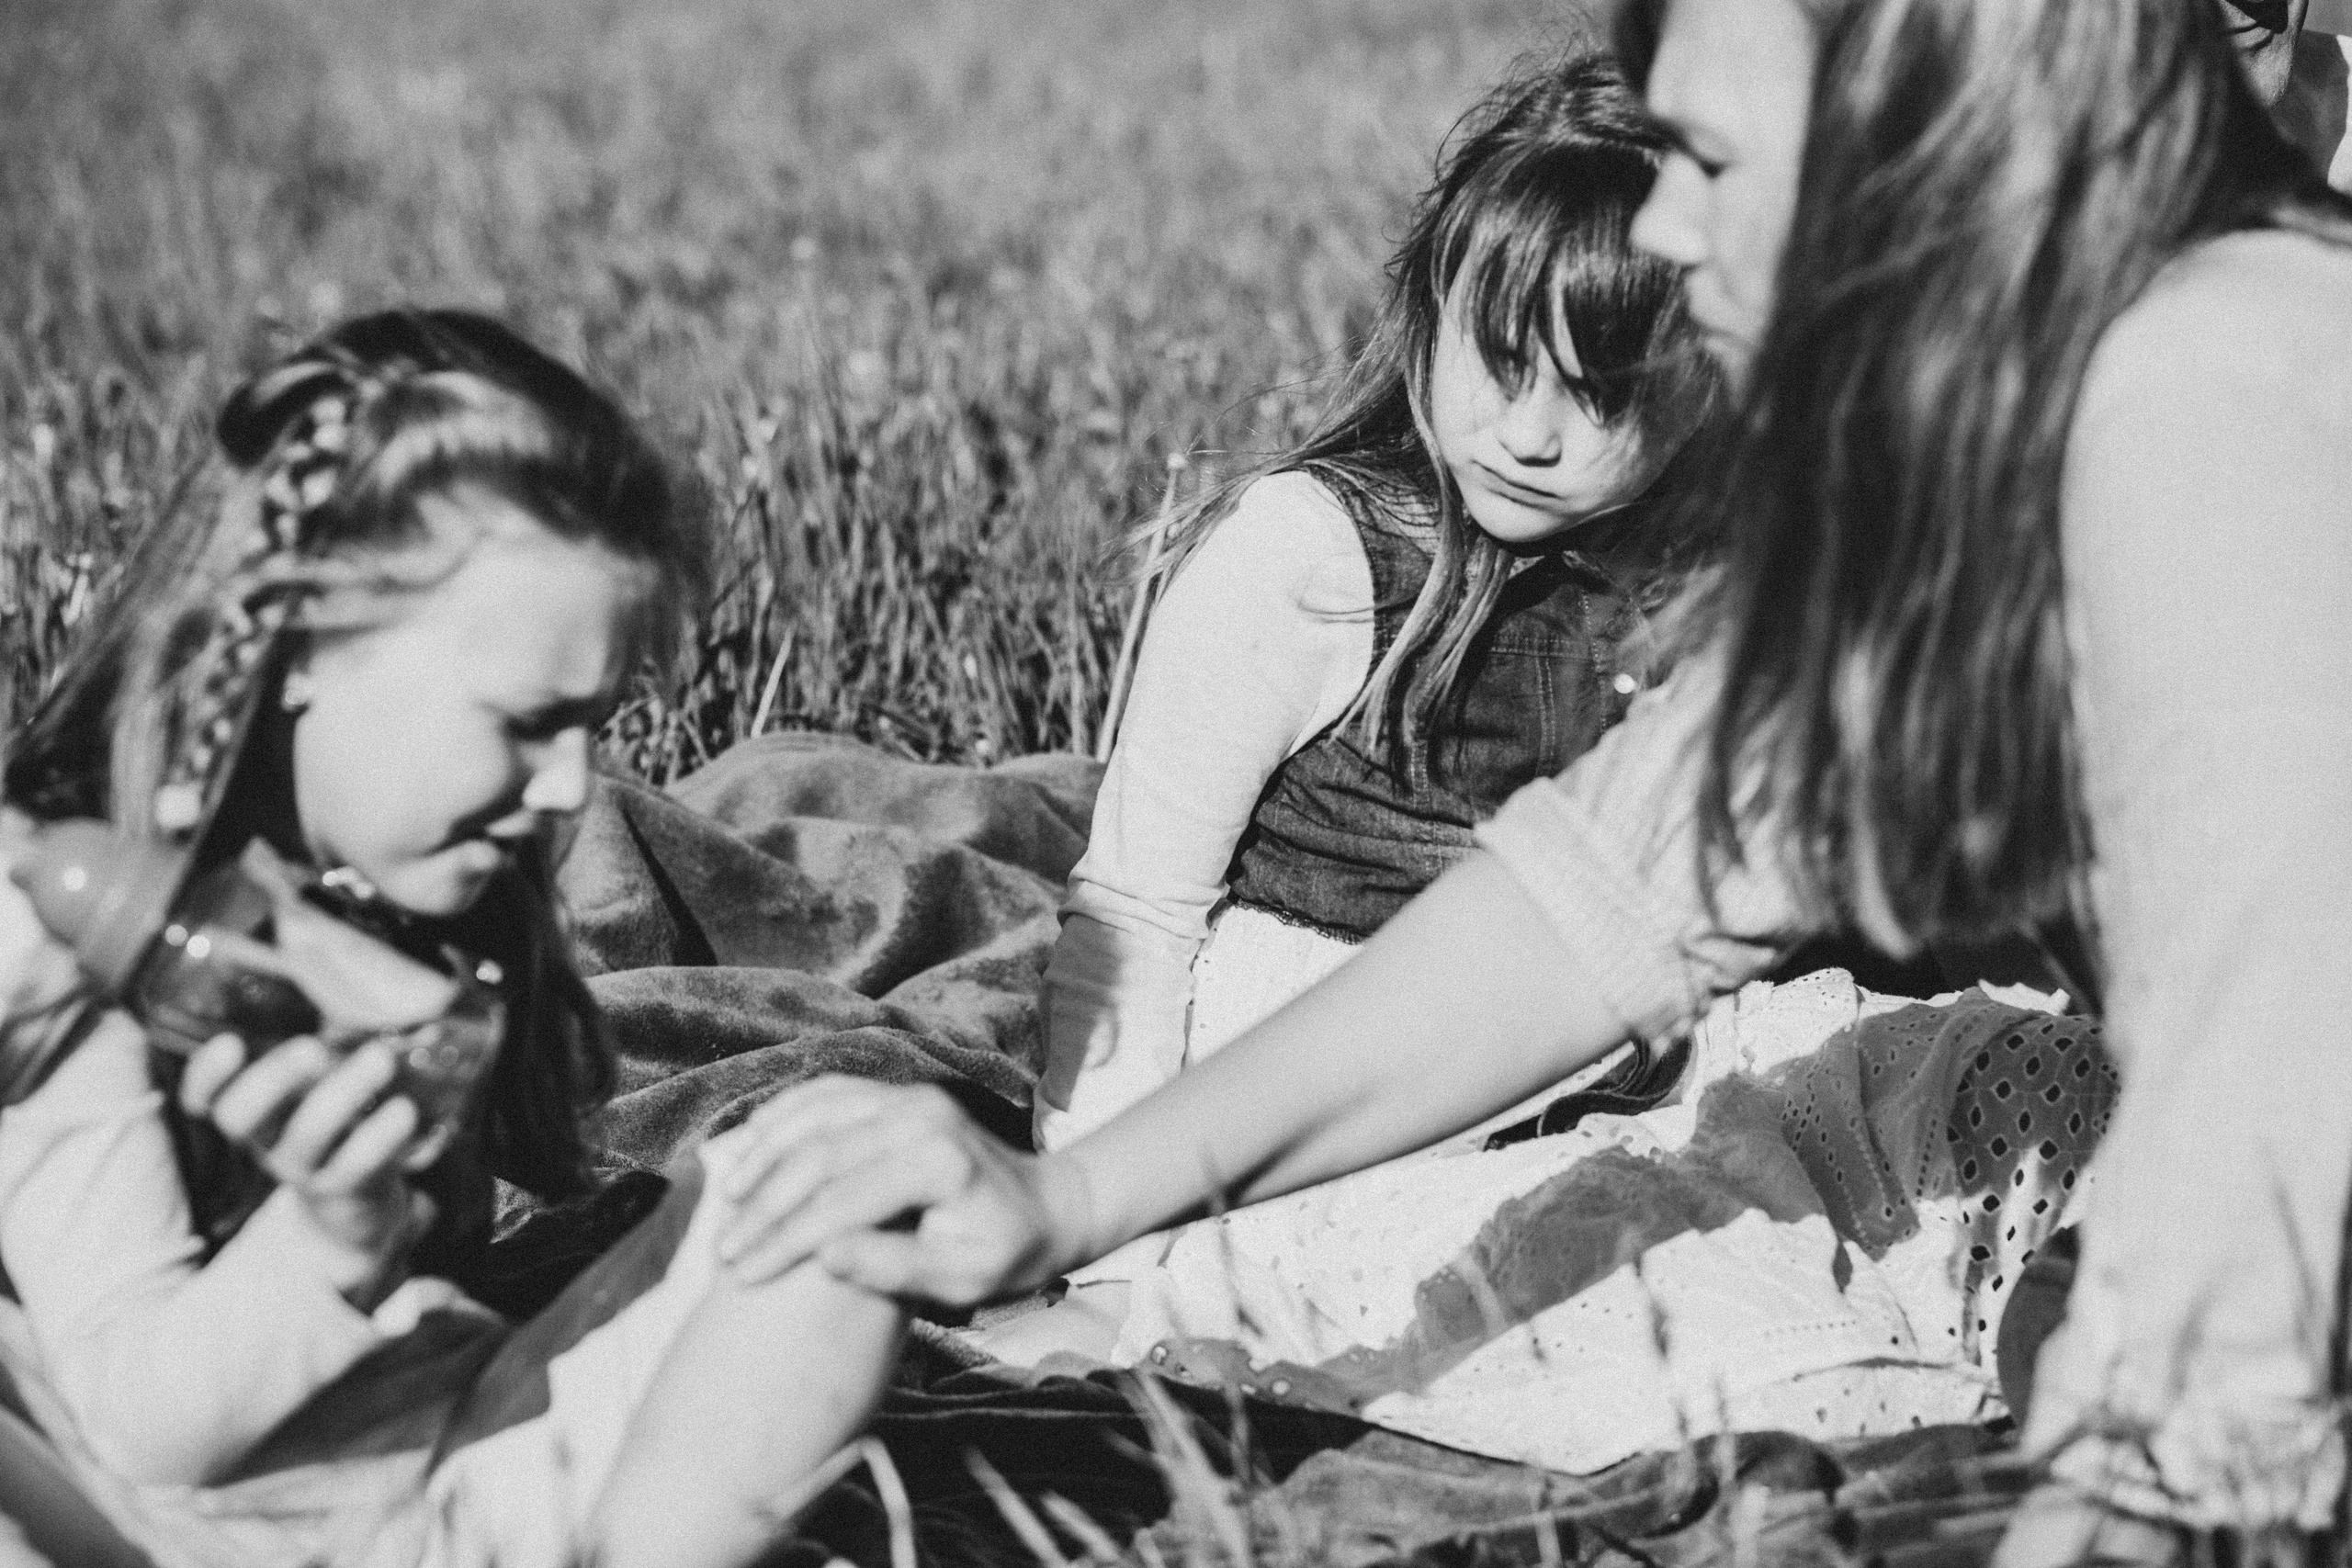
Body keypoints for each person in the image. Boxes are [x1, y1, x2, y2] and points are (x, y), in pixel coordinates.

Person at [715, 0, 2352, 1558]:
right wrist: (1062, 1201)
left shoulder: (2214, 380)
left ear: (1923, 120)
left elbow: (2277, 1038)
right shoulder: (1982, 459)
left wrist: (2146, 1465)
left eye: (1709, 159)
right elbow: (1605, 904)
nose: (1669, 231)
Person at [0, 310, 903, 1568]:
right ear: (303, 647)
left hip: (436, 1462)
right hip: (153, 1527)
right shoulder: (63, 941)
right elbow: (143, 1429)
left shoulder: (398, 907)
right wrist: (333, 1227)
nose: (567, 787)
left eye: (592, 725)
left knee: (834, 1183)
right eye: (528, 721)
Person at [1033, 49, 1716, 1155]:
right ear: (1427, 307)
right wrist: (1096, 1245)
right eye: (1500, 358)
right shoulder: (1314, 553)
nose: (1530, 434)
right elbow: (1136, 915)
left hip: (1597, 1087)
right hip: (1314, 1109)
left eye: (1597, 395)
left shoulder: (1686, 585)